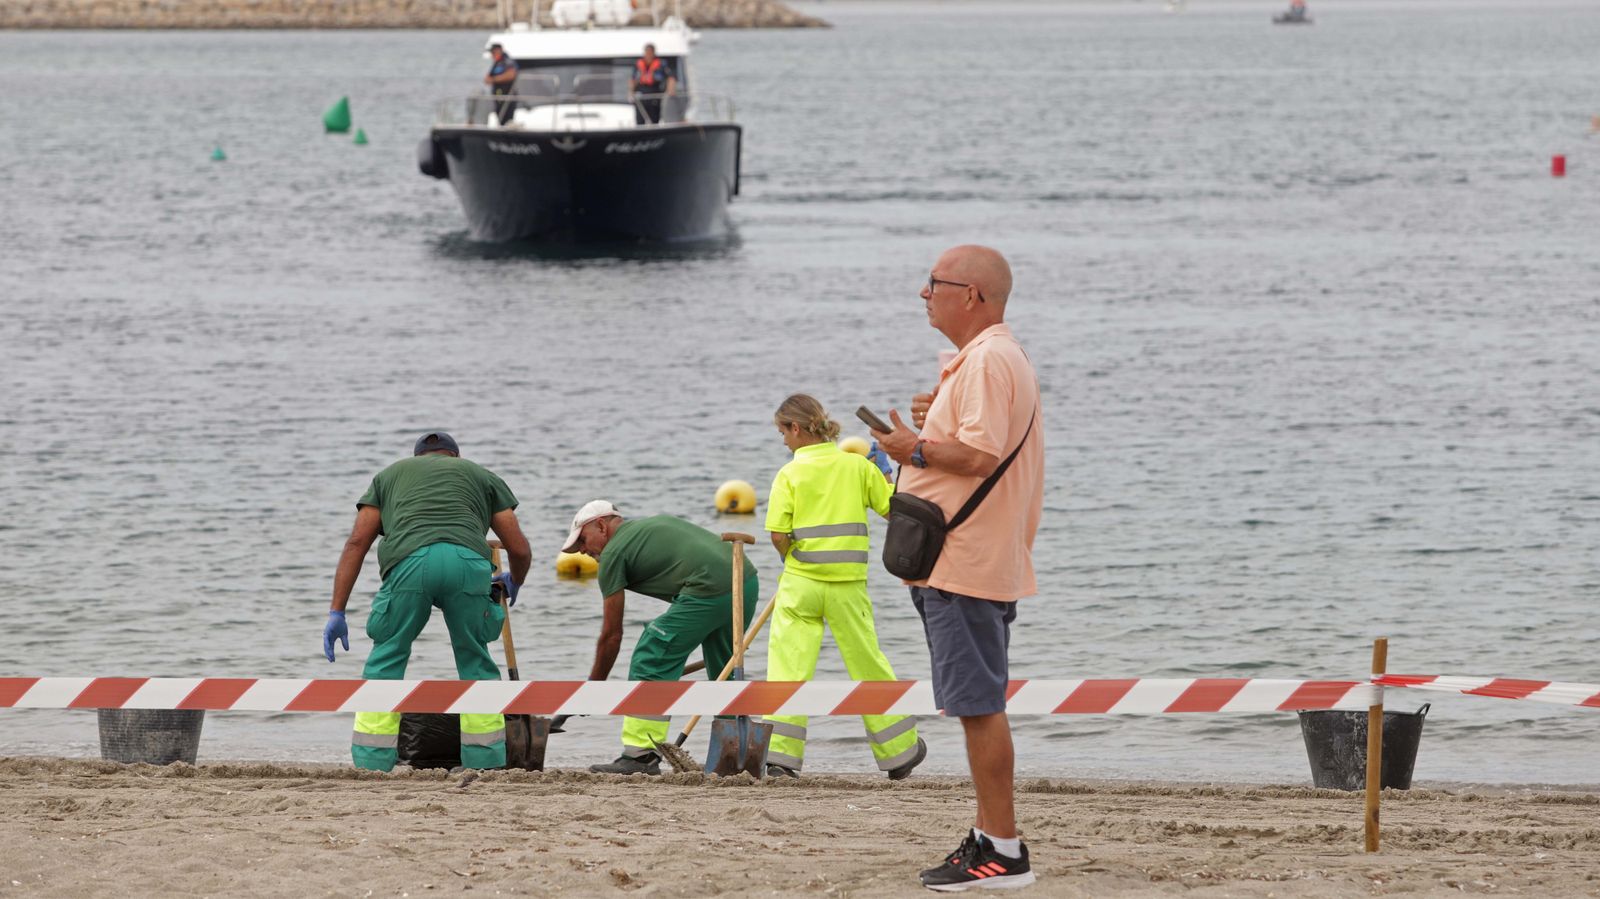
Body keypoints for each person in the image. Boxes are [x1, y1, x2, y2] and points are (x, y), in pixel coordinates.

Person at [871, 245, 1044, 891]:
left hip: (964, 562)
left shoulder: (990, 357)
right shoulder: (990, 357)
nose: (923, 293)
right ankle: (990, 835)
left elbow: (976, 456)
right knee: (977, 703)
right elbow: (974, 440)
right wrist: (931, 419)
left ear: (970, 294)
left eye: (934, 283)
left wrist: (907, 445)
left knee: (977, 706)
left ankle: (1002, 851)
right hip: (971, 557)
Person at [323, 431, 532, 772]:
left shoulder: (388, 476)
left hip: (409, 564)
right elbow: (519, 548)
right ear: (455, 456)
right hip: (467, 565)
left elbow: (357, 542)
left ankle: (373, 764)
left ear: (417, 457)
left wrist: (337, 610)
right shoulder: (481, 475)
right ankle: (485, 762)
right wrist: (515, 580)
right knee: (475, 659)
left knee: (387, 656)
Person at [762, 394, 926, 780]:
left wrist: (793, 561)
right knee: (868, 662)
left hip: (801, 583)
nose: (783, 441)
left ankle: (781, 758)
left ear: (797, 428)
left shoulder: (789, 474)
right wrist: (882, 472)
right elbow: (892, 510)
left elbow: (777, 534)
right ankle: (899, 753)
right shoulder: (856, 466)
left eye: (783, 432)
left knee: (787, 668)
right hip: (848, 587)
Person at [564, 501, 757, 775]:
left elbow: (611, 635)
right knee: (724, 668)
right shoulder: (645, 529)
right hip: (744, 579)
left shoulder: (613, 553)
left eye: (582, 540)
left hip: (711, 586)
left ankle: (640, 756)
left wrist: (593, 687)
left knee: (653, 652)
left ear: (602, 526)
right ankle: (733, 751)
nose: (582, 550)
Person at [629, 43, 676, 125]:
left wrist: (670, 91)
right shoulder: (638, 64)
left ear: (654, 53)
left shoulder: (661, 63)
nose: (648, 54)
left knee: (654, 118)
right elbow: (633, 79)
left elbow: (671, 77)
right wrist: (631, 92)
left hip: (655, 92)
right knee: (640, 119)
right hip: (641, 94)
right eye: (647, 52)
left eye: (650, 52)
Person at [484, 43, 519, 126]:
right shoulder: (496, 63)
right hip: (498, 95)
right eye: (491, 53)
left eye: (493, 52)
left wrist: (494, 79)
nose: (492, 55)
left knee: (507, 116)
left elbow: (511, 75)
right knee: (500, 116)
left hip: (507, 94)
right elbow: (487, 79)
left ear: (499, 50)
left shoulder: (507, 61)